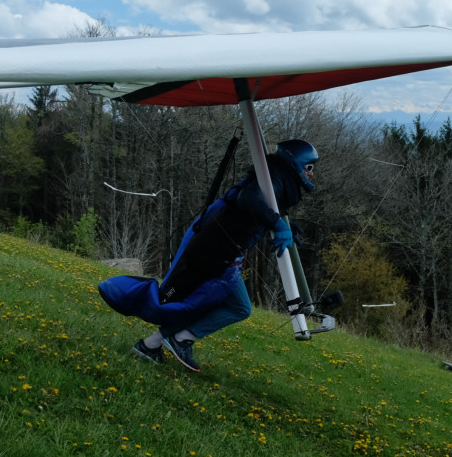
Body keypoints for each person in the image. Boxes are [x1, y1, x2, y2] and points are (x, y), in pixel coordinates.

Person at [98, 139, 319, 373]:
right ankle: (181, 339)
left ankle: (150, 345)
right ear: (295, 162)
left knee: (209, 305)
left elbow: (258, 209)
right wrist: (276, 223)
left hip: (217, 253)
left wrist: (282, 223)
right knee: (232, 307)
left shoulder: (275, 179)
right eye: (309, 167)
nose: (311, 174)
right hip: (214, 255)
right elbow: (249, 200)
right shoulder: (274, 177)